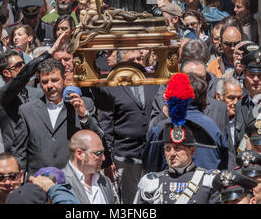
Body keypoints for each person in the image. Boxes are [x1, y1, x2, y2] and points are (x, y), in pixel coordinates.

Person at [135, 73, 220, 204]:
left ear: (192, 151)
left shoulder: (207, 182)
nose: (172, 154)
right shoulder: (154, 182)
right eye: (167, 148)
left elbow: (150, 163)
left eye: (177, 148)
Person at [11, 57, 102, 176]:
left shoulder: (82, 105)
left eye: (54, 80)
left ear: (64, 80)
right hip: (39, 182)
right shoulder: (27, 111)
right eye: (45, 81)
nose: (49, 85)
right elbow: (19, 152)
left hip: (74, 181)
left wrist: (83, 116)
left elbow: (98, 140)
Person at [97, 49, 160, 204]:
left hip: (152, 156)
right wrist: (108, 160)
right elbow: (106, 126)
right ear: (121, 64)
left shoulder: (153, 82)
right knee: (130, 201)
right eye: (132, 61)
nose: (138, 63)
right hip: (125, 158)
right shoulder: (111, 86)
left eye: (139, 59)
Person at [0, 36, 65, 151]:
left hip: (38, 152)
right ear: (6, 73)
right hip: (15, 155)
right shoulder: (2, 96)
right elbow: (21, 77)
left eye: (23, 64)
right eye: (18, 66)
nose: (23, 67)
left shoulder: (38, 94)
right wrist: (48, 53)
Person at [62, 130, 116, 204]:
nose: (103, 158)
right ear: (80, 154)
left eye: (103, 152)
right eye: (98, 153)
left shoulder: (105, 182)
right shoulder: (60, 184)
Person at [216, 78, 243, 149]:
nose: (236, 102)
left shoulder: (244, 120)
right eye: (231, 98)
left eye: (239, 98)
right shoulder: (211, 119)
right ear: (219, 97)